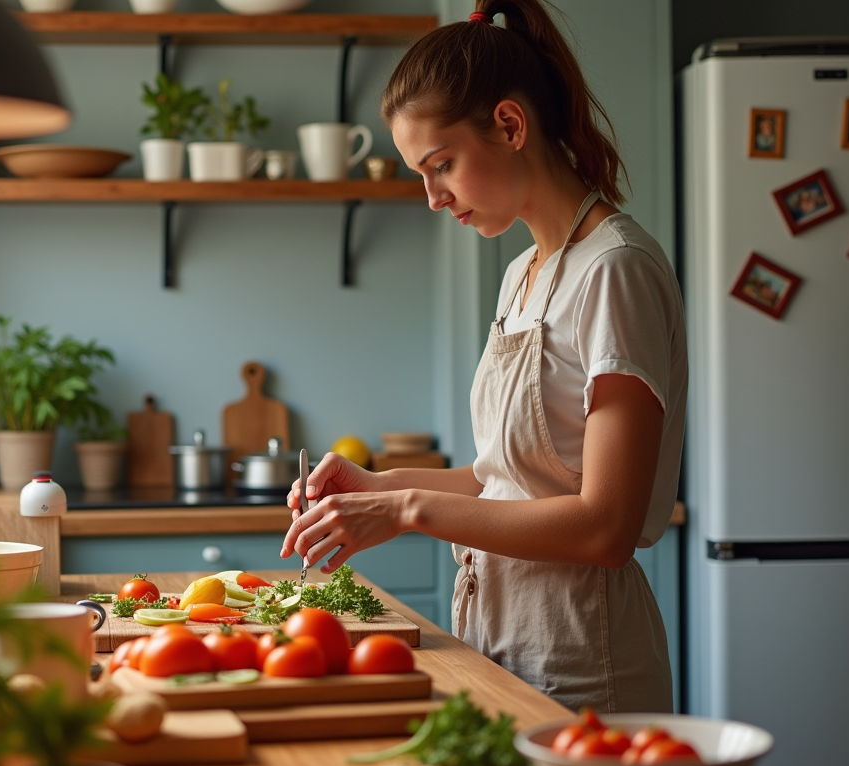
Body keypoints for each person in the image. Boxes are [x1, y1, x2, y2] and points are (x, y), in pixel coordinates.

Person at [280, 0, 685, 714]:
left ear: (509, 125)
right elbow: (516, 479)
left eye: (441, 166)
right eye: (420, 173)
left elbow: (606, 526)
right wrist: (376, 487)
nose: (433, 198)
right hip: (499, 644)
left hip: (586, 665)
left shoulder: (614, 270)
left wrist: (408, 509)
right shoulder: (522, 273)